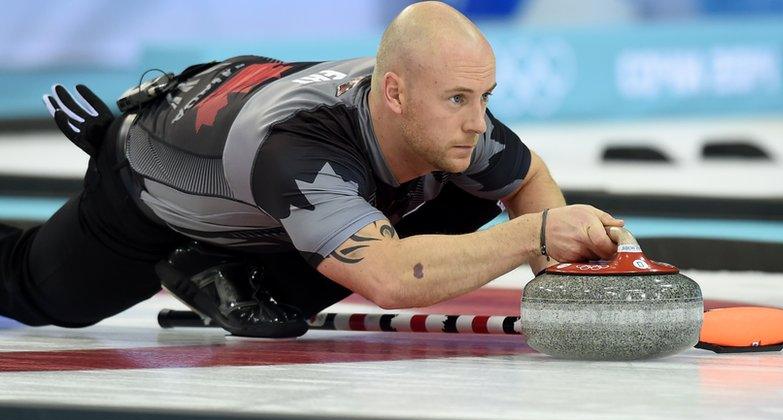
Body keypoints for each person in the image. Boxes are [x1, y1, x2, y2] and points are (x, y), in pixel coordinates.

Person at [0, 1, 623, 338]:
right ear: (397, 94)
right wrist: (535, 237)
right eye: (458, 99)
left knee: (470, 193)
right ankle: (214, 262)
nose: (477, 121)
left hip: (241, 134)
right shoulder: (304, 153)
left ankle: (231, 274)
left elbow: (526, 177)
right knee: (41, 295)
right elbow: (389, 280)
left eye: (484, 97)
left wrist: (562, 280)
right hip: (143, 186)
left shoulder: (447, 121)